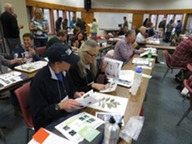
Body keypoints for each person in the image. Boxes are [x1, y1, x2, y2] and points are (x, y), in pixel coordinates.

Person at [30, 42, 84, 131]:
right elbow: (39, 115)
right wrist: (59, 106)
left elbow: (71, 87)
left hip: (66, 114)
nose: (71, 63)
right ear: (57, 63)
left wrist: (75, 93)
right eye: (68, 61)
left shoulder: (64, 72)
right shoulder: (39, 82)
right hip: (50, 122)